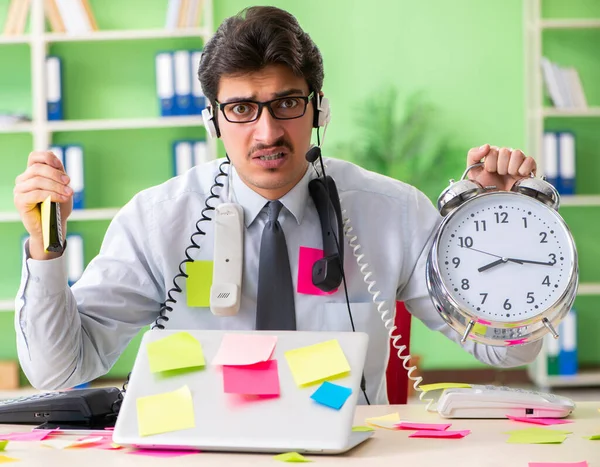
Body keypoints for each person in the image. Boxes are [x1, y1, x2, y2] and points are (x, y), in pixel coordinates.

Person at [13, 6, 540, 405]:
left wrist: (504, 229)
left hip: (349, 451)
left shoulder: (392, 212)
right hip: (202, 452)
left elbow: (507, 351)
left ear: (318, 111)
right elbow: (59, 372)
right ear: (212, 121)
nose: (267, 133)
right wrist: (46, 247)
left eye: (287, 103)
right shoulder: (158, 221)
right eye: (242, 108)